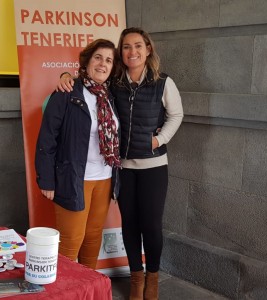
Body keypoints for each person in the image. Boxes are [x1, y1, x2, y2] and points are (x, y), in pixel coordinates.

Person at [56, 27, 183, 300]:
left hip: (153, 166)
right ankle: (136, 278)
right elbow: (87, 81)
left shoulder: (162, 82)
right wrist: (65, 76)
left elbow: (177, 114)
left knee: (150, 224)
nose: (132, 51)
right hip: (123, 166)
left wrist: (158, 140)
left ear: (148, 49)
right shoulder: (114, 83)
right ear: (121, 53)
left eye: (138, 46)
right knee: (129, 225)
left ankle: (153, 278)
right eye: (126, 47)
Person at [35, 39, 121, 270]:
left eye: (109, 60)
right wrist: (46, 179)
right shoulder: (67, 91)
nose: (103, 64)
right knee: (71, 242)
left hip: (104, 177)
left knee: (93, 238)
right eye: (98, 58)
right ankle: (66, 293)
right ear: (87, 61)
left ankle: (89, 291)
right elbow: (47, 138)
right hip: (73, 178)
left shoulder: (110, 96)